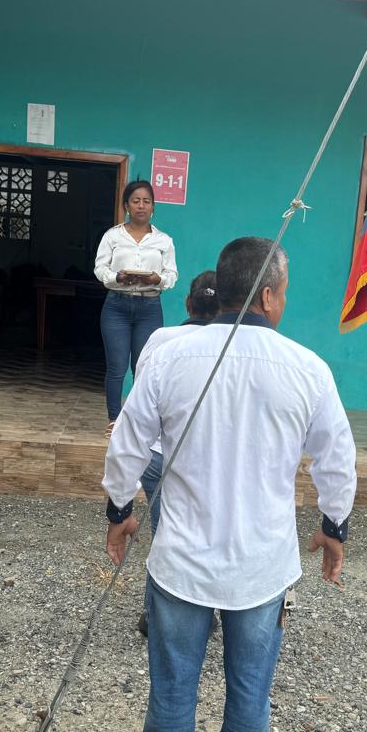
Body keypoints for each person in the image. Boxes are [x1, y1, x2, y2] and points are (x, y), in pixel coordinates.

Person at [102, 237, 357, 732]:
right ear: (267, 296)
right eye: (284, 291)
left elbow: (128, 442)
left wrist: (119, 510)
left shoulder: (170, 356)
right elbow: (337, 460)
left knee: (172, 685)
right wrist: (334, 527)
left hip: (182, 561)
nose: (285, 300)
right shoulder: (306, 368)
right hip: (261, 567)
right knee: (250, 690)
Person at [134, 270, 219, 637]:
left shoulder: (161, 338)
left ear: (187, 303)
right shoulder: (232, 344)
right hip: (207, 459)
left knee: (165, 534)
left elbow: (141, 395)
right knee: (208, 535)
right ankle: (203, 611)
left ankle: (155, 614)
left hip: (156, 454)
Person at [94, 179, 177, 436]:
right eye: (136, 201)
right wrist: (117, 277)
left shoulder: (164, 240)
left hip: (149, 307)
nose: (141, 206)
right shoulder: (112, 236)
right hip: (116, 307)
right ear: (126, 206)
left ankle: (139, 422)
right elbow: (100, 269)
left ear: (153, 207)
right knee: (116, 367)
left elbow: (172, 275)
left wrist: (157, 279)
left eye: (146, 201)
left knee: (144, 368)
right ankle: (113, 420)